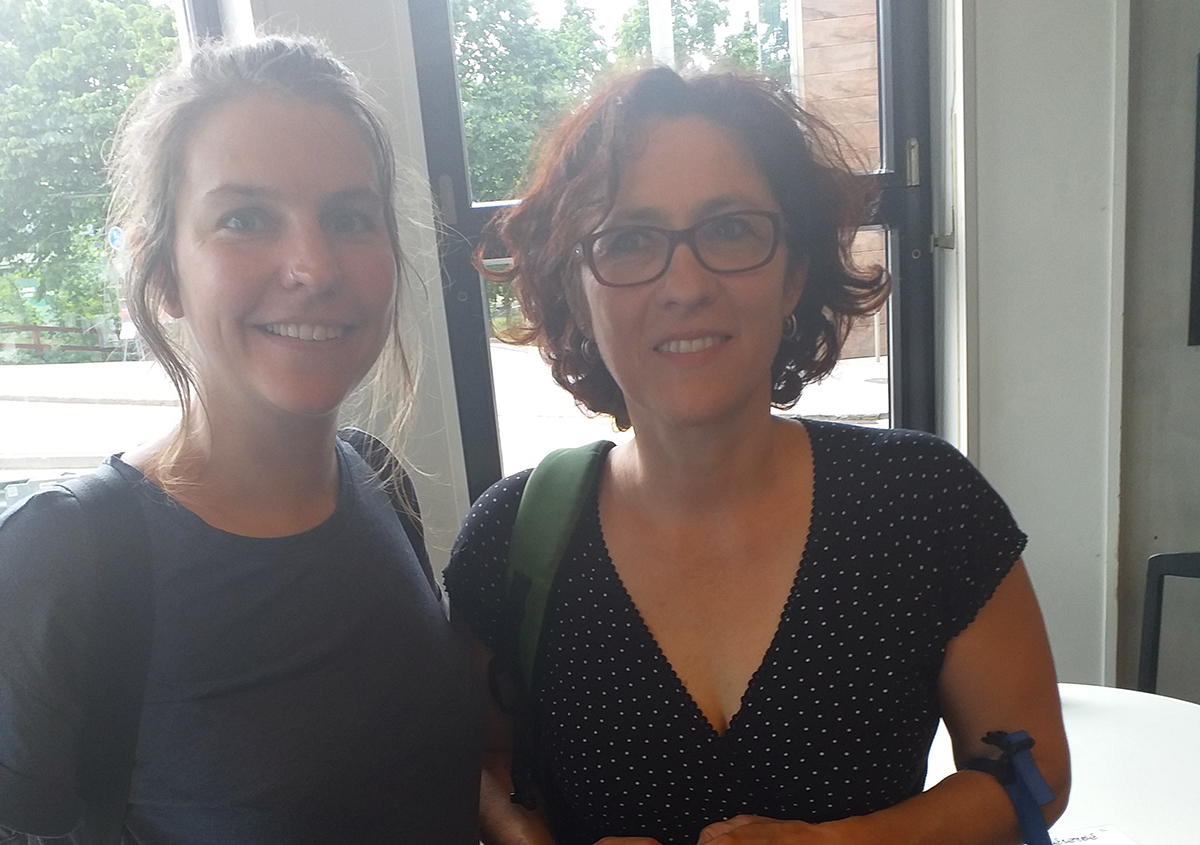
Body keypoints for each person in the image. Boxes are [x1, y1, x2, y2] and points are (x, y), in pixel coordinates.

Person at [445, 67, 1069, 845]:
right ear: (575, 288)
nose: (686, 284)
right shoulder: (511, 540)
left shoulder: (923, 503)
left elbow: (1031, 769)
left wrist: (844, 843)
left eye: (731, 229)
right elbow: (484, 760)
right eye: (629, 240)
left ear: (794, 271)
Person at [0, 36, 482, 844]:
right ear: (162, 274)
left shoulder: (379, 478)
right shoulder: (63, 557)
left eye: (348, 218)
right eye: (245, 219)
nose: (313, 266)